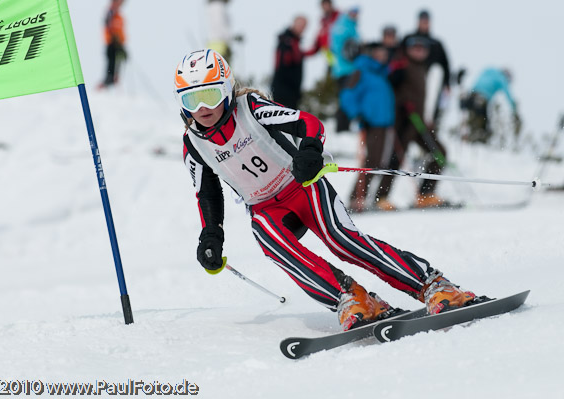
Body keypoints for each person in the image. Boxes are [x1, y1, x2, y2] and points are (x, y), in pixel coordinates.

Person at [176, 49, 478, 332]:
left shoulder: (251, 109)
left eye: (210, 95)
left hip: (301, 187)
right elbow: (207, 193)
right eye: (192, 101)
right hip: (267, 208)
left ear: (227, 89)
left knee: (341, 240)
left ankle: (432, 284)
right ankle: (351, 298)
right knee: (268, 238)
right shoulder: (194, 143)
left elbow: (308, 123)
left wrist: (309, 151)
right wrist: (211, 234)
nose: (203, 109)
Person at [389, 35, 448, 208]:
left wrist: (427, 118)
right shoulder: (402, 64)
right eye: (415, 47)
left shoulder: (422, 68)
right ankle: (381, 197)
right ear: (408, 49)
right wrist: (402, 103)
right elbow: (392, 87)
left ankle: (426, 194)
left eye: (423, 48)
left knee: (440, 153)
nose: (419, 50)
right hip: (404, 121)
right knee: (396, 159)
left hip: (419, 122)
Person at [339, 43, 397, 212]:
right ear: (372, 54)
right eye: (379, 52)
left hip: (384, 123)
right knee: (371, 161)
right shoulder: (361, 70)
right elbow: (347, 94)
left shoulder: (381, 72)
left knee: (379, 161)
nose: (383, 55)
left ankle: (364, 198)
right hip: (371, 123)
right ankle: (355, 199)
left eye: (385, 53)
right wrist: (356, 113)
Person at [403, 10, 450, 127]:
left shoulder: (436, 44)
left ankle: (427, 120)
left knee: (436, 72)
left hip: (428, 80)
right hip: (410, 79)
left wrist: (447, 83)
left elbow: (445, 64)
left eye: (426, 21)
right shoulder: (408, 38)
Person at [461, 68, 521, 143]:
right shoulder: (501, 78)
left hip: (472, 95)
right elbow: (507, 93)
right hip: (482, 98)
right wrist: (514, 108)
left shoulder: (490, 69)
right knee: (482, 125)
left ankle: (468, 140)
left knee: (472, 120)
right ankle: (477, 142)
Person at [329, 7, 360, 132]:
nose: (355, 15)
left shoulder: (350, 26)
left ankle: (344, 127)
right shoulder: (343, 27)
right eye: (353, 12)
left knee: (348, 98)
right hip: (344, 70)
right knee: (345, 99)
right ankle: (342, 128)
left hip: (347, 70)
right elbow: (342, 49)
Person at [270, 16, 311, 110]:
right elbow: (283, 65)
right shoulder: (287, 40)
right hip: (284, 90)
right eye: (300, 25)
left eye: (304, 26)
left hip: (292, 91)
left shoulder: (294, 41)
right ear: (294, 24)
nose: (302, 29)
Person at [101, 0, 126, 88]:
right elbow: (108, 25)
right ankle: (105, 86)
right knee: (111, 68)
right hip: (112, 44)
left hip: (118, 45)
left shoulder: (118, 16)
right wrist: (114, 38)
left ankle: (111, 85)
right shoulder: (110, 13)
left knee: (116, 68)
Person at [307, 0, 340, 66]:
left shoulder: (340, 17)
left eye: (327, 5)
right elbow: (317, 43)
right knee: (332, 70)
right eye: (323, 6)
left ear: (331, 5)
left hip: (340, 54)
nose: (325, 7)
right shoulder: (323, 23)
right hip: (329, 57)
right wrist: (304, 53)